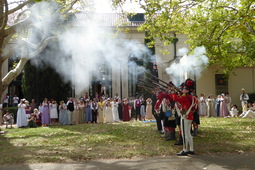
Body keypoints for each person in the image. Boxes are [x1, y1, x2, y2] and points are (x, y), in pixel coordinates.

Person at [169, 78, 198, 156]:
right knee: (188, 133)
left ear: (187, 90)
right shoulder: (191, 97)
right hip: (189, 116)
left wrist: (172, 92)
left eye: (184, 89)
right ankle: (191, 149)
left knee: (185, 134)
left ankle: (185, 149)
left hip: (185, 116)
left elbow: (175, 99)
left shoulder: (185, 97)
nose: (182, 89)